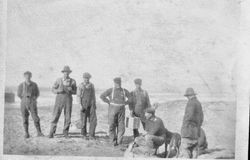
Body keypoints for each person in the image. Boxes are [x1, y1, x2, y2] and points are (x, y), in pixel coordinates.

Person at [100, 77, 131, 146]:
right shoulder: (111, 90)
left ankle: (119, 141)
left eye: (119, 83)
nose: (118, 84)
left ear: (121, 83)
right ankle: (113, 141)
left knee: (121, 126)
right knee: (112, 125)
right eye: (116, 83)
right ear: (114, 83)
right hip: (112, 109)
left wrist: (125, 103)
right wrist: (108, 102)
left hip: (121, 110)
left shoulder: (124, 91)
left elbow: (131, 98)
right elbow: (102, 96)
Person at [48, 66, 77, 138]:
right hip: (59, 99)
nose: (66, 73)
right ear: (63, 72)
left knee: (68, 116)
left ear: (69, 73)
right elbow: (52, 89)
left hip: (68, 99)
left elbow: (76, 92)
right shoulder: (58, 80)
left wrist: (71, 90)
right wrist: (58, 91)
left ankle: (65, 132)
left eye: (67, 72)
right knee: (55, 115)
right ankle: (52, 132)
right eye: (65, 72)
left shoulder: (73, 81)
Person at [17, 71, 44, 138]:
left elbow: (37, 93)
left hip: (32, 102)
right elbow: (18, 94)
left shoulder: (34, 84)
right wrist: (24, 99)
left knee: (35, 117)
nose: (27, 77)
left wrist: (33, 99)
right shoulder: (21, 85)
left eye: (29, 76)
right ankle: (26, 133)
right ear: (24, 76)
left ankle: (39, 132)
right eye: (26, 76)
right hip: (24, 102)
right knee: (25, 118)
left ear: (31, 76)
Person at [178, 88, 204, 159]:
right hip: (196, 133)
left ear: (189, 96)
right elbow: (201, 118)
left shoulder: (191, 103)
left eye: (187, 96)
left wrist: (184, 128)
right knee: (194, 151)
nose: (187, 98)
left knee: (185, 150)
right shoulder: (198, 103)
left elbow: (188, 116)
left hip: (188, 133)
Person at [77, 72, 97, 140]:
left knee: (93, 119)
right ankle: (83, 134)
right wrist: (80, 105)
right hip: (83, 104)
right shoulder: (80, 86)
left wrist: (94, 104)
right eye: (85, 78)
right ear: (83, 78)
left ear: (89, 78)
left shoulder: (92, 85)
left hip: (91, 104)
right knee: (83, 119)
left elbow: (94, 95)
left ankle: (91, 135)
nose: (86, 79)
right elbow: (78, 96)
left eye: (88, 78)